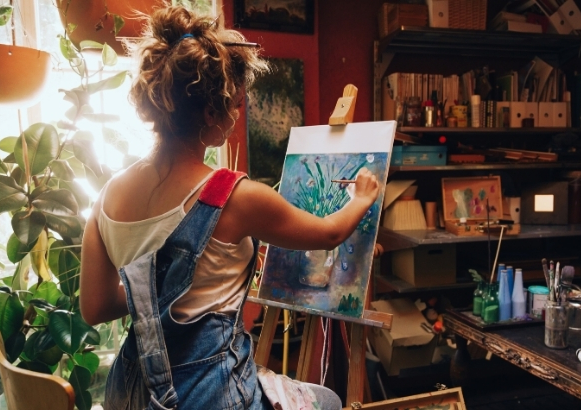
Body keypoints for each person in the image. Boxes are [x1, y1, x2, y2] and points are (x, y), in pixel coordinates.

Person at [79, 5, 379, 410]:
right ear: (210, 112)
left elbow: (95, 307)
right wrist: (361, 198)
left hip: (131, 393)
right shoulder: (235, 196)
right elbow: (329, 233)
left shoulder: (108, 195)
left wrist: (157, 291)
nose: (238, 114)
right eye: (236, 104)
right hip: (208, 393)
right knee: (327, 401)